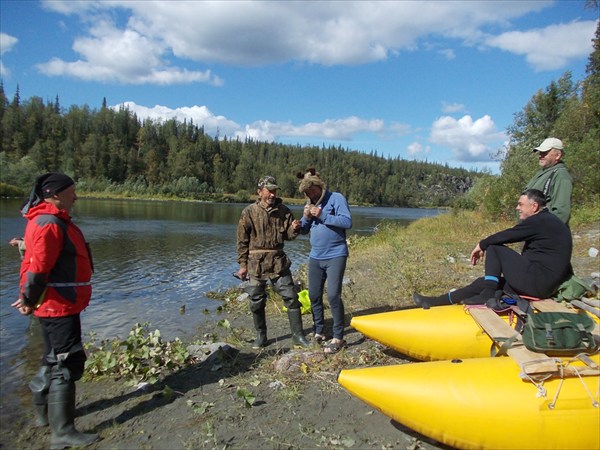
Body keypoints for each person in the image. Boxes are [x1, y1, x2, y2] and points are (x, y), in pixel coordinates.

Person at [11, 172, 99, 448]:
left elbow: (40, 257)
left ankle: (44, 416)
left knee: (51, 358)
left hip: (56, 303)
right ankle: (62, 432)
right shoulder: (49, 222)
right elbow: (38, 269)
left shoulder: (47, 220)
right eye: (72, 191)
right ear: (56, 194)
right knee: (66, 362)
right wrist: (28, 298)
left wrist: (29, 298)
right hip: (58, 305)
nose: (76, 196)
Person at [413, 189, 572, 308]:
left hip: (538, 283)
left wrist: (482, 244)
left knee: (495, 247)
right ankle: (433, 302)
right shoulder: (548, 221)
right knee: (483, 282)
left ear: (534, 206)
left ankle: (488, 295)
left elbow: (508, 235)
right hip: (540, 283)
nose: (517, 208)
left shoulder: (541, 221)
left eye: (521, 204)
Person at [235, 175, 310, 349]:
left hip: (278, 260)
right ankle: (261, 337)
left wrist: (294, 228)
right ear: (260, 191)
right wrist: (242, 265)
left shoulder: (284, 211)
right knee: (256, 300)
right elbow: (241, 241)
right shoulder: (248, 212)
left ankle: (298, 336)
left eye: (274, 191)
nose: (272, 194)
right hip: (255, 263)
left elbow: (289, 237)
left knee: (291, 297)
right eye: (269, 191)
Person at [297, 168, 352, 354]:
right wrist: (304, 219)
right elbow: (304, 231)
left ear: (319, 187)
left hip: (336, 254)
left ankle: (338, 337)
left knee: (333, 295)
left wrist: (322, 215)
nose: (310, 195)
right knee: (313, 295)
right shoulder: (308, 203)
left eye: (312, 191)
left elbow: (347, 222)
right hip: (315, 256)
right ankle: (319, 331)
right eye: (307, 193)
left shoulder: (336, 198)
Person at [524, 137, 572, 224]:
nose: (540, 156)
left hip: (545, 233)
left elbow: (561, 212)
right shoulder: (541, 173)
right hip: (532, 230)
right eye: (540, 153)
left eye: (545, 153)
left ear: (558, 155)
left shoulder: (561, 175)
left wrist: (544, 231)